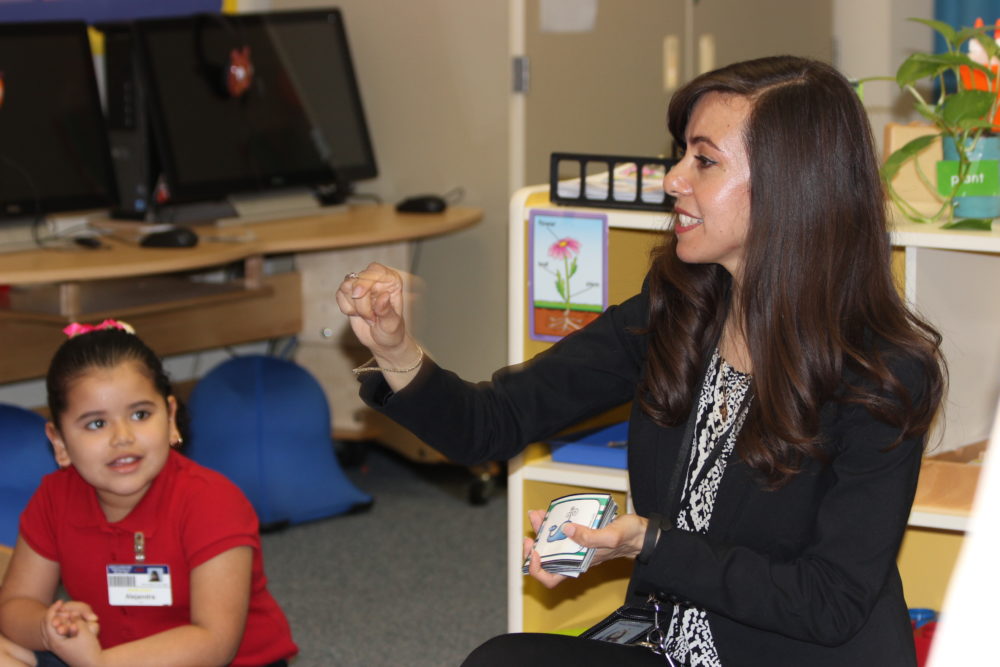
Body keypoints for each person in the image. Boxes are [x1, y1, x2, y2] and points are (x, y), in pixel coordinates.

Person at [337, 55, 945, 667]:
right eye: (681, 153)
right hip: (671, 644)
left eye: (703, 161)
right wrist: (394, 348)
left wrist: (652, 542)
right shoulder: (675, 309)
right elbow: (490, 423)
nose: (672, 179)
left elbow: (828, 603)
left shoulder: (881, 374)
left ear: (791, 186)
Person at [0, 320, 298, 667]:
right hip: (96, 656)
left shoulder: (212, 501)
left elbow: (214, 642)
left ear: (170, 418)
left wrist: (100, 663)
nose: (122, 436)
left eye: (140, 414)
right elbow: (15, 605)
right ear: (60, 443)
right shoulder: (54, 496)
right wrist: (51, 627)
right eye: (96, 423)